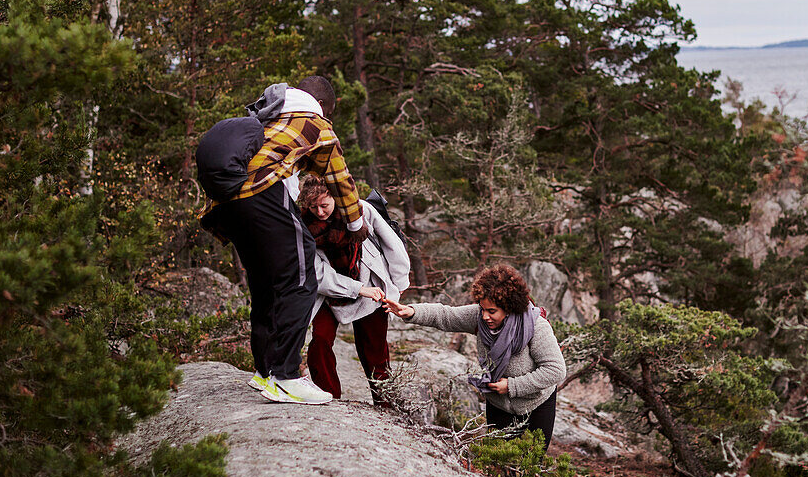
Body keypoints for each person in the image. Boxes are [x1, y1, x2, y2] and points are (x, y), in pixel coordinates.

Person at [199, 76, 369, 405]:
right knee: (302, 274)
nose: (328, 119)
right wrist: (355, 222)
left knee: (267, 283)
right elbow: (339, 176)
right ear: (322, 106)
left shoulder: (269, 116)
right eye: (329, 113)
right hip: (261, 191)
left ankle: (266, 371)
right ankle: (286, 375)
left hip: (226, 204)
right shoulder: (314, 120)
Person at [383, 264, 566, 450]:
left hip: (536, 404)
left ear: (509, 308)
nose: (485, 316)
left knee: (531, 464)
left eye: (492, 311)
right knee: (499, 460)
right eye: (482, 309)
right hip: (499, 404)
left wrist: (512, 386)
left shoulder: (536, 326)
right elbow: (446, 316)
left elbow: (556, 370)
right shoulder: (480, 316)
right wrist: (412, 312)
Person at [298, 176, 410, 406]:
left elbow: (393, 245)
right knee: (319, 340)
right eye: (313, 207)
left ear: (334, 198)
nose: (319, 212)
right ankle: (326, 398)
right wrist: (359, 290)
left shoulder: (361, 210)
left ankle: (386, 405)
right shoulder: (301, 226)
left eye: (324, 205)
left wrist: (397, 287)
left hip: (370, 279)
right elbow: (316, 273)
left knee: (375, 350)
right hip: (329, 291)